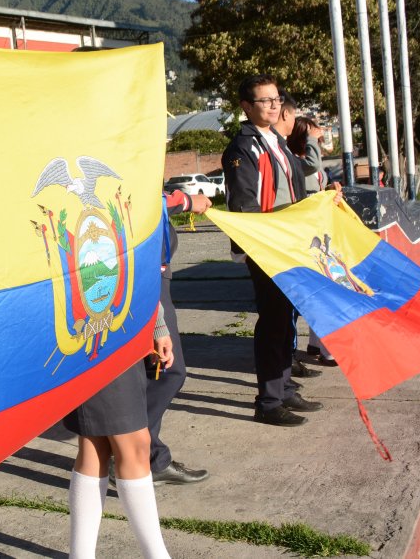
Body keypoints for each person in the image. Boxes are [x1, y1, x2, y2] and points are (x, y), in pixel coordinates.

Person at [221, 74, 322, 427]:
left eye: (276, 99)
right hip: (266, 247)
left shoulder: (274, 139)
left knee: (286, 319)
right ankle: (268, 400)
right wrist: (259, 244)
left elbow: (296, 187)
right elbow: (244, 204)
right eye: (265, 101)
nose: (274, 105)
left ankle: (285, 387)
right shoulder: (242, 148)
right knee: (274, 322)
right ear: (247, 107)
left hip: (289, 243)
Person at [64, 305, 175, 558]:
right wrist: (157, 323)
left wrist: (156, 323)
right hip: (95, 321)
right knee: (133, 444)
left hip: (114, 321)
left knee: (96, 445)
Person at [147, 190, 212, 484]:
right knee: (169, 371)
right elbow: (145, 197)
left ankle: (148, 455)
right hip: (148, 275)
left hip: (155, 272)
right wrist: (185, 202)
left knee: (157, 371)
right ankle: (131, 450)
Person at [286, 116, 340, 367]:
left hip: (320, 234)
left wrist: (332, 190)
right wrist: (311, 140)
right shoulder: (297, 162)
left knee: (323, 290)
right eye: (310, 133)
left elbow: (320, 181)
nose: (318, 136)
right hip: (306, 236)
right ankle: (326, 349)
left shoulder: (307, 161)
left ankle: (317, 344)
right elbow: (313, 165)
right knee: (319, 293)